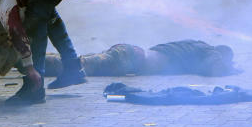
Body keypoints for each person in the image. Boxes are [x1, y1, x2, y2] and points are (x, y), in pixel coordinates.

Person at [43, 40, 238, 77]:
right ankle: (29, 61)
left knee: (79, 62)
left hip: (129, 54)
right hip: (130, 59)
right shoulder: (209, 50)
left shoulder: (194, 45)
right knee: (79, 66)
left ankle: (33, 60)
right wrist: (233, 70)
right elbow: (216, 69)